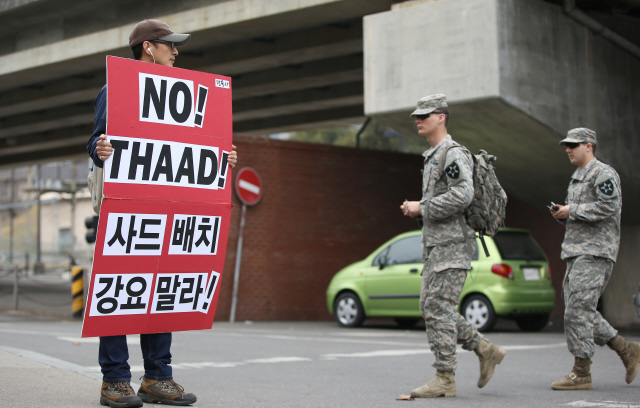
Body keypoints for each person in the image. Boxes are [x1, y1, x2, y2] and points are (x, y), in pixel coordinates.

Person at [87, 19, 237, 408]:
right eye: (169, 45)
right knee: (120, 290)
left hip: (167, 211)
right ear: (148, 48)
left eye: (176, 46)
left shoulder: (187, 94)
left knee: (161, 290)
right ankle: (115, 381)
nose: (176, 51)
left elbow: (198, 146)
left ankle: (157, 377)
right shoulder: (117, 87)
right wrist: (99, 149)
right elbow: (97, 139)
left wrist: (225, 158)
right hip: (127, 211)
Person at [400, 94, 506, 398]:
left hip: (453, 245)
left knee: (437, 307)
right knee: (431, 307)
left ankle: (445, 377)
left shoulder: (453, 153)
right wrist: (421, 209)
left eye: (425, 115)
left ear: (442, 117)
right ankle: (485, 350)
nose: (418, 120)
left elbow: (463, 195)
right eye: (417, 116)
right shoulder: (433, 155)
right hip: (437, 245)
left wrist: (422, 207)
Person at [550, 128, 640, 390]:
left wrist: (572, 210)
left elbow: (609, 207)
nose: (568, 149)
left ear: (589, 146)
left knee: (578, 310)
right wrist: (562, 215)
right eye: (566, 145)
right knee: (580, 310)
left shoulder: (603, 173)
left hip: (597, 252)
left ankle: (582, 372)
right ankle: (626, 350)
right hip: (576, 252)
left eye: (574, 145)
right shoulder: (576, 178)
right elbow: (580, 219)